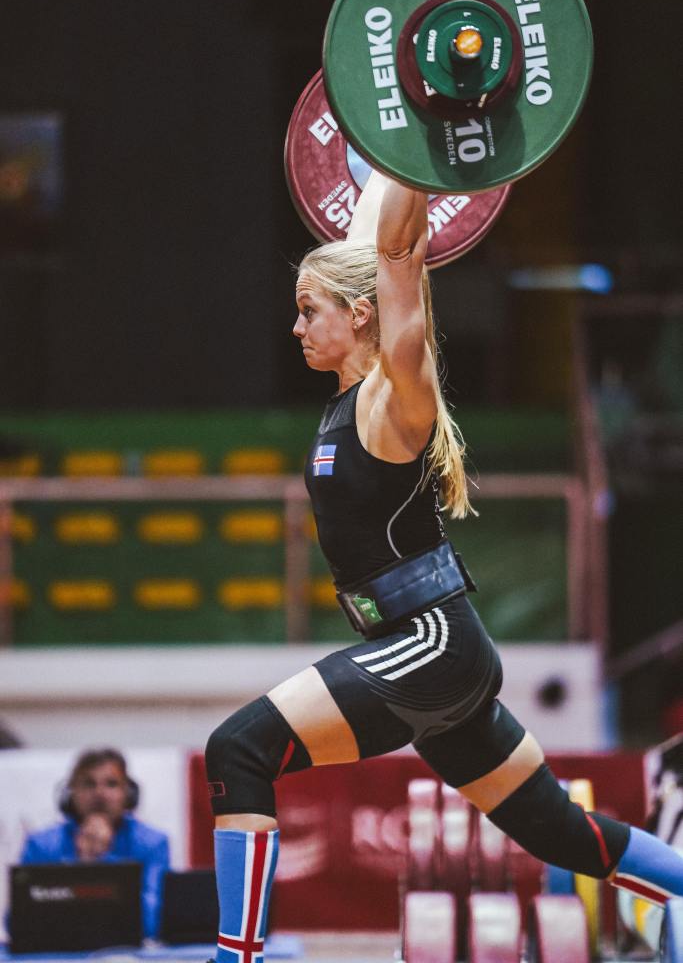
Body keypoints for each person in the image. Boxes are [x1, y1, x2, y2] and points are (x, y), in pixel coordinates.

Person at [204, 173, 683, 961]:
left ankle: (234, 958)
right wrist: (388, 142)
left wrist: (423, 144)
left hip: (428, 643)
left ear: (361, 314)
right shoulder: (345, 401)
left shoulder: (393, 398)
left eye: (308, 310)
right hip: (431, 655)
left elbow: (395, 254)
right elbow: (372, 226)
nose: (295, 327)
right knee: (559, 832)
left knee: (239, 749)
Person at [20, 748, 169, 939]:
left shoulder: (152, 843)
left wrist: (102, 861)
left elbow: (153, 920)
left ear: (128, 794)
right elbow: (17, 919)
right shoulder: (41, 845)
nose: (100, 794)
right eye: (89, 784)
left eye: (111, 784)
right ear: (71, 793)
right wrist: (80, 865)